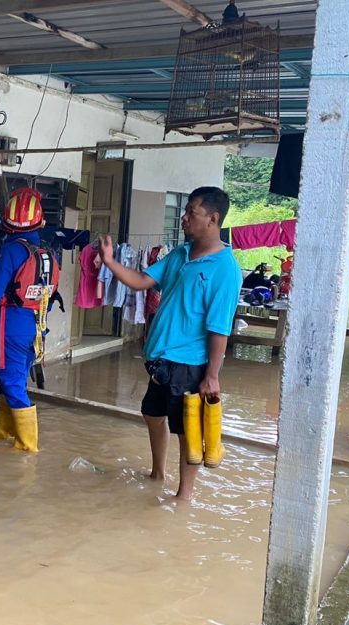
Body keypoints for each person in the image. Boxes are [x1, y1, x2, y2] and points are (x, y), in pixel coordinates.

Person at [99, 186, 242, 500]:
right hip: (161, 361)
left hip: (189, 364)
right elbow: (141, 281)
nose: (184, 218)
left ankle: (184, 496)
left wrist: (212, 376)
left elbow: (219, 330)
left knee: (187, 431)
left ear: (213, 219)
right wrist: (110, 262)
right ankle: (157, 473)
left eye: (192, 212)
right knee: (152, 413)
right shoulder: (180, 254)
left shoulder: (225, 270)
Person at [0, 187, 60, 453]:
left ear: (6, 224)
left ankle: (28, 448)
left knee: (12, 380)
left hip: (11, 327)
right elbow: (48, 296)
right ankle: (4, 431)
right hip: (37, 327)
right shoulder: (49, 253)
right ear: (39, 222)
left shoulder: (10, 252)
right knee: (13, 378)